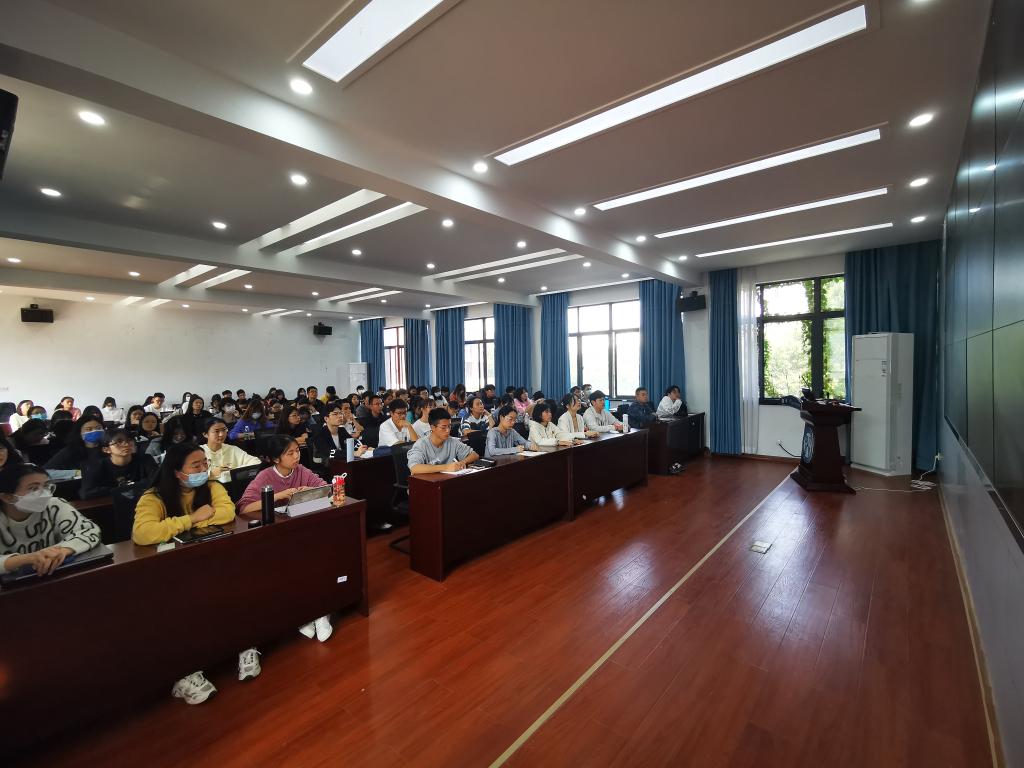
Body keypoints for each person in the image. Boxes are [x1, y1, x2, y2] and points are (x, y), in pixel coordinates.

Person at [131, 442, 257, 703]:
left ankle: (243, 644)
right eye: (195, 465)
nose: (203, 469)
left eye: (204, 464)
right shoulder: (154, 497)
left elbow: (227, 513)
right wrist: (192, 519)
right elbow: (143, 533)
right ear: (177, 471)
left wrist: (178, 525)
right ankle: (185, 671)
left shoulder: (212, 486)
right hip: (171, 569)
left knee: (238, 590)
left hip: (210, 560)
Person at [0, 463, 102, 576]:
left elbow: (89, 530)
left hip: (53, 574)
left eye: (46, 486)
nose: (44, 494)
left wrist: (62, 550)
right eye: (33, 488)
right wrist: (27, 559)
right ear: (7, 497)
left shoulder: (54, 504)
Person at [80, 429, 152, 499]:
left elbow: (154, 480)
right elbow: (86, 493)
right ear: (106, 449)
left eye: (129, 440)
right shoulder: (96, 466)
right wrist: (122, 489)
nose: (126, 444)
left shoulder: (145, 459)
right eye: (119, 441)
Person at [408, 407, 479, 475]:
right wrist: (446, 467)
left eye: (449, 426)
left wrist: (462, 462)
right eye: (443, 427)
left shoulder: (452, 441)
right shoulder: (421, 444)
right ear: (432, 427)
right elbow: (414, 468)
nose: (448, 430)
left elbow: (474, 455)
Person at [201, 417, 260, 484]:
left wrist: (231, 472)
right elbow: (192, 478)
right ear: (205, 434)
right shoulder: (198, 452)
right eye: (216, 431)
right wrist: (211, 474)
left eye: (224, 430)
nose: (221, 434)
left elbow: (256, 462)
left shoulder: (232, 449)